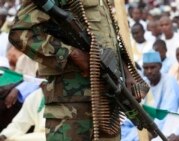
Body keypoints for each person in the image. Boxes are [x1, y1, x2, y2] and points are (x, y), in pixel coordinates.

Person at [9, 1, 145, 141]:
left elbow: (107, 41)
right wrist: (70, 53)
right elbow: (20, 33)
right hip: (72, 107)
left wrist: (127, 73)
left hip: (107, 103)